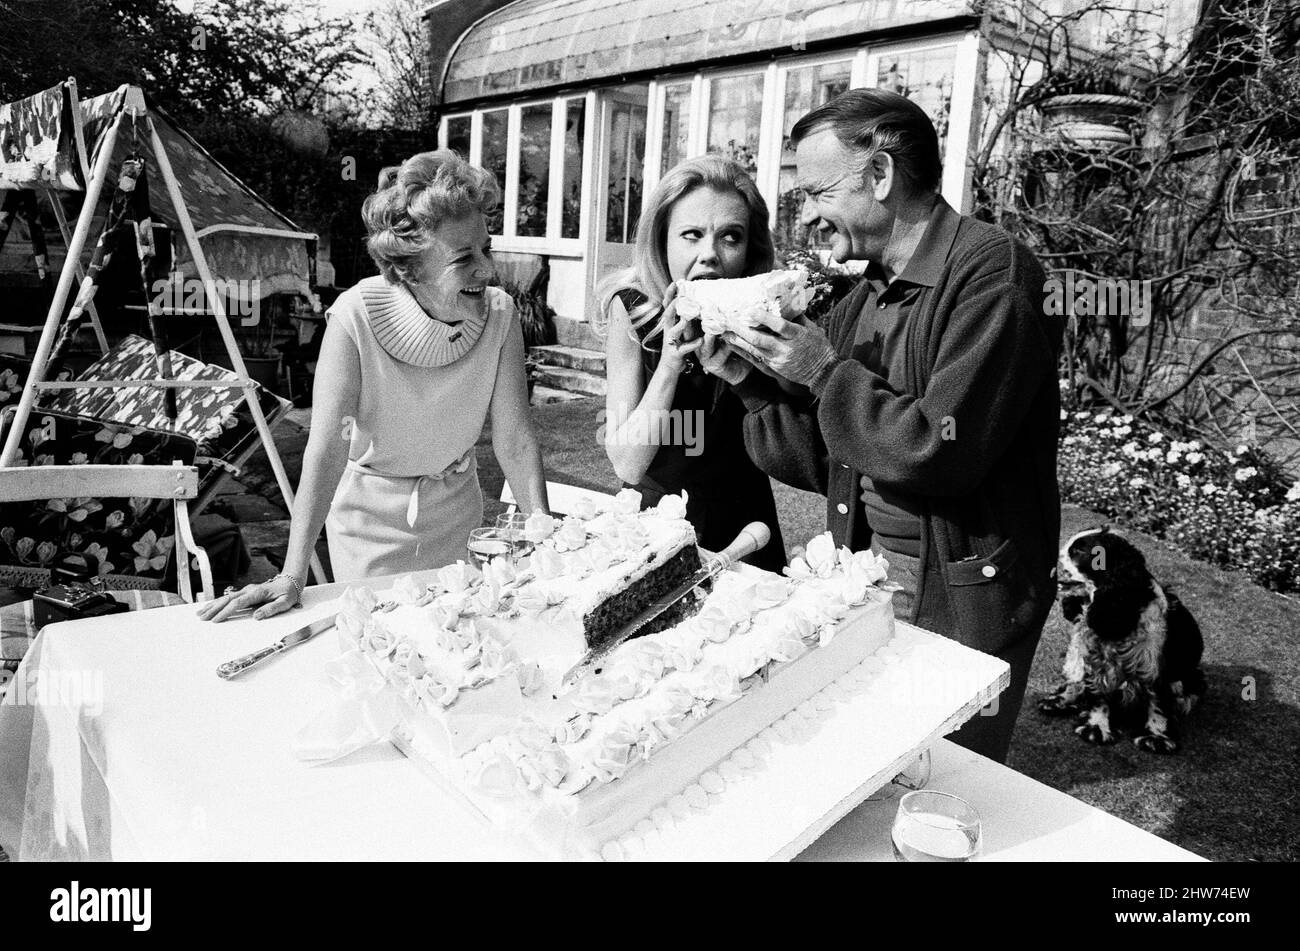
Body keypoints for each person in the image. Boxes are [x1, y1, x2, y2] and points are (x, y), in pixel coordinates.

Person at [700, 89, 1063, 763]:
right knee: (858, 769)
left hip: (960, 592)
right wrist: (748, 381)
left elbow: (936, 450)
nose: (805, 215)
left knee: (938, 774)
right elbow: (827, 456)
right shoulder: (866, 295)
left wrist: (823, 371)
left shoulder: (996, 275)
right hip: (865, 577)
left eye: (816, 191)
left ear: (882, 175)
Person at [200, 151, 548, 622]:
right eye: (464, 258)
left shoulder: (502, 316)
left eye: (486, 248)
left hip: (458, 523)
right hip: (369, 532)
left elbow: (516, 441)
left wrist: (547, 546)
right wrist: (292, 574)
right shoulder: (356, 316)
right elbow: (326, 449)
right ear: (408, 268)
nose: (488, 271)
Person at [598, 155, 786, 571]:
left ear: (749, 249)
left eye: (730, 237)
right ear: (662, 240)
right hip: (657, 528)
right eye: (692, 235)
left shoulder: (766, 319)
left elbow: (794, 445)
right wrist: (668, 365)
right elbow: (627, 462)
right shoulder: (631, 310)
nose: (710, 256)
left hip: (747, 530)